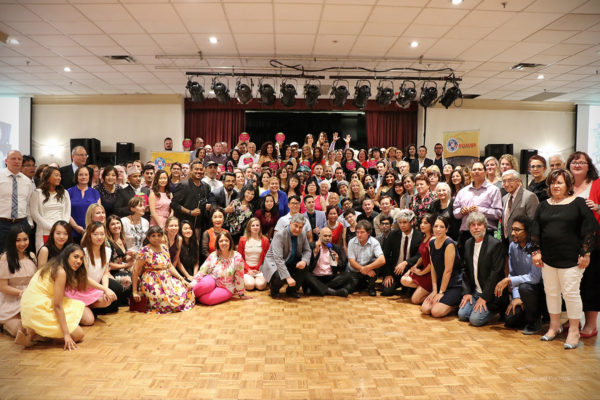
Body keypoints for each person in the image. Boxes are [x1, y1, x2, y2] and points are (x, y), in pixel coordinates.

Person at [531, 169, 599, 349]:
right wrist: (536, 251)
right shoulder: (543, 205)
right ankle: (554, 327)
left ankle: (574, 330)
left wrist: (586, 253)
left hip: (572, 260)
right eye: (553, 183)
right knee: (551, 292)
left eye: (559, 182)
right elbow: (535, 229)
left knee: (570, 293)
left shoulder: (579, 203)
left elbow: (590, 229)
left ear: (568, 185)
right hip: (548, 258)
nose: (555, 186)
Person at [17, 244, 90, 350]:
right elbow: (57, 306)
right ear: (67, 255)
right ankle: (37, 334)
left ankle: (35, 333)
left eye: (81, 258)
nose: (79, 261)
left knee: (76, 309)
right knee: (78, 335)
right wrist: (66, 335)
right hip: (38, 307)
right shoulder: (60, 271)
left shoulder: (54, 265)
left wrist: (104, 289)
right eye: (76, 257)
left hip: (30, 304)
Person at [495, 215, 544, 334]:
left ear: (527, 231)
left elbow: (535, 278)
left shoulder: (536, 247)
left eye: (517, 230)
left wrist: (509, 280)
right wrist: (517, 297)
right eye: (512, 229)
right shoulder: (512, 246)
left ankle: (535, 322)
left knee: (525, 287)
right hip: (522, 291)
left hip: (538, 291)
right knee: (510, 321)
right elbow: (513, 273)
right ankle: (528, 314)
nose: (512, 233)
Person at [569, 151, 600, 338]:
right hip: (569, 241)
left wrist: (598, 208)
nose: (577, 165)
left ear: (589, 166)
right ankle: (573, 320)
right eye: (574, 162)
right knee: (572, 283)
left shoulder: (597, 184)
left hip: (593, 241)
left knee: (591, 282)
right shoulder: (566, 184)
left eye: (581, 162)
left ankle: (591, 324)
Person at [458, 212, 508, 327]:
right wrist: (467, 292)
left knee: (475, 320)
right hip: (475, 292)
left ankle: (495, 310)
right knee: (462, 315)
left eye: (479, 224)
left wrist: (485, 297)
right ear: (469, 228)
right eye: (473, 225)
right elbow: (466, 270)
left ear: (485, 226)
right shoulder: (468, 243)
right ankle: (476, 306)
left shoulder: (495, 244)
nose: (476, 227)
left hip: (491, 295)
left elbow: (495, 274)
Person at [131, 226, 194, 313]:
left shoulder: (164, 247)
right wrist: (134, 291)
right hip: (152, 282)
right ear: (148, 237)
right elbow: (135, 270)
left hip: (167, 280)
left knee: (187, 289)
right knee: (170, 303)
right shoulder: (145, 250)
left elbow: (169, 266)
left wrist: (181, 279)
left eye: (159, 235)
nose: (156, 238)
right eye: (153, 236)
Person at [453, 161, 503, 253]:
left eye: (479, 169)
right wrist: (461, 211)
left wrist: (480, 210)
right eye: (474, 169)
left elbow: (498, 213)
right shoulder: (463, 191)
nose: (476, 172)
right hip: (466, 233)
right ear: (471, 172)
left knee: (485, 261)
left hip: (486, 233)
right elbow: (455, 212)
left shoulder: (493, 190)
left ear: (485, 172)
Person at [261, 214, 311, 299]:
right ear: (290, 223)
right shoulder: (280, 235)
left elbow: (307, 250)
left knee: (304, 266)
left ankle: (292, 290)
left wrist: (304, 260)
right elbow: (278, 259)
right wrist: (288, 277)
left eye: (300, 227)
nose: (298, 229)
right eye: (296, 226)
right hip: (274, 263)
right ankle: (274, 290)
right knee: (279, 275)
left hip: (290, 261)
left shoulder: (302, 233)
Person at [421, 216, 462, 318]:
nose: (438, 229)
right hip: (441, 283)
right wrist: (435, 290)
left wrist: (441, 292)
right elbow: (433, 267)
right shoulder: (431, 243)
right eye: (436, 226)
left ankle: (455, 306)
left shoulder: (449, 244)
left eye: (441, 227)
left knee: (436, 312)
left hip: (454, 284)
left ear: (446, 229)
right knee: (425, 309)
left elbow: (448, 271)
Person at [0, 226, 37, 337]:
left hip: (29, 299)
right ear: (12, 241)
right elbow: (2, 286)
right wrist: (21, 292)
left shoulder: (31, 255)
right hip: (10, 300)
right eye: (18, 240)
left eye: (25, 239)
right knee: (22, 331)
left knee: (36, 327)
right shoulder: (5, 258)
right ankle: (5, 324)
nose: (22, 243)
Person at [381, 209, 422, 297]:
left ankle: (405, 288)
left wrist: (406, 262)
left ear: (412, 222)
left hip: (410, 270)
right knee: (386, 291)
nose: (402, 225)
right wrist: (388, 274)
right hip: (395, 270)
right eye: (400, 222)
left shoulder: (419, 236)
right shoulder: (393, 234)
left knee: (410, 294)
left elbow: (419, 255)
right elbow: (385, 255)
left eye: (405, 222)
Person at [30, 166, 71, 251]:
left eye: (60, 176)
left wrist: (61, 227)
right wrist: (51, 228)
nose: (59, 178)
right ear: (47, 177)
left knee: (61, 256)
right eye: (56, 175)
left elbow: (67, 212)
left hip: (61, 232)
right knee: (44, 255)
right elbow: (34, 213)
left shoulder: (65, 193)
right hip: (44, 231)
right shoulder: (37, 193)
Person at [1, 151, 35, 254]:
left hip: (21, 223)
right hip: (2, 223)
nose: (17, 161)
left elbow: (28, 203)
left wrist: (29, 222)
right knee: (2, 254)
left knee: (21, 254)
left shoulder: (27, 181)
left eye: (19, 159)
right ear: (6, 161)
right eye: (13, 158)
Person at [303, 227, 350, 297]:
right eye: (325, 236)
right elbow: (307, 266)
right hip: (315, 277)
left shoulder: (336, 248)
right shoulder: (312, 246)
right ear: (320, 236)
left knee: (348, 275)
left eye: (329, 236)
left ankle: (317, 289)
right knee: (305, 274)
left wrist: (337, 261)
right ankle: (333, 292)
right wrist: (315, 254)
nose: (328, 238)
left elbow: (342, 269)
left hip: (330, 278)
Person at [171, 160, 212, 240]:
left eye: (201, 169)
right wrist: (190, 212)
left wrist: (207, 206)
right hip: (185, 224)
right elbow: (174, 204)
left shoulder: (206, 186)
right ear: (191, 170)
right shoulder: (183, 185)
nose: (199, 171)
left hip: (200, 225)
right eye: (196, 169)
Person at [400, 213, 435, 305]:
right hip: (424, 271)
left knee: (415, 300)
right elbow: (422, 256)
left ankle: (433, 291)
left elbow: (433, 263)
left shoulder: (433, 239)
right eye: (421, 223)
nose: (422, 225)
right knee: (404, 279)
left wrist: (421, 272)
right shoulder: (424, 236)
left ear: (432, 225)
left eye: (426, 223)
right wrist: (414, 268)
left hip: (432, 273)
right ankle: (425, 290)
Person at [346, 220, 386, 296]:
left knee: (375, 261)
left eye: (362, 232)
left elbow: (382, 260)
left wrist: (367, 268)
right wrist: (363, 269)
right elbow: (352, 262)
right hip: (355, 271)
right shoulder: (351, 242)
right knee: (349, 289)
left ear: (368, 233)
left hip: (368, 269)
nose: (359, 235)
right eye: (357, 232)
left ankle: (371, 287)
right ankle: (363, 284)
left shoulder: (374, 242)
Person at [501, 169, 539, 243]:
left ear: (518, 181)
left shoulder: (529, 196)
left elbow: (534, 223)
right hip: (506, 240)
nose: (506, 184)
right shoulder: (504, 198)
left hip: (523, 242)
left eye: (510, 180)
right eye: (504, 181)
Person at [67, 167, 100, 242]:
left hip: (91, 231)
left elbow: (98, 212)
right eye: (81, 175)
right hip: (72, 231)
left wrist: (90, 228)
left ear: (89, 177)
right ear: (76, 176)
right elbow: (66, 212)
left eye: (86, 174)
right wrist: (76, 227)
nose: (83, 177)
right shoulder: (69, 192)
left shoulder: (95, 192)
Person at [237, 218, 270, 291]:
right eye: (253, 225)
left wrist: (259, 269)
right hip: (246, 269)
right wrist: (248, 269)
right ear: (249, 227)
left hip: (260, 270)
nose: (255, 227)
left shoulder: (265, 240)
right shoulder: (242, 240)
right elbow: (239, 257)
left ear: (260, 227)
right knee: (250, 286)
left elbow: (268, 258)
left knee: (260, 285)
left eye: (257, 225)